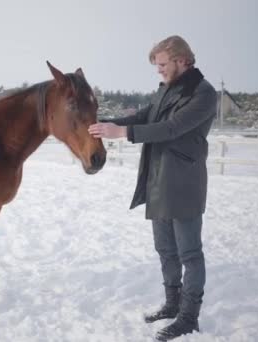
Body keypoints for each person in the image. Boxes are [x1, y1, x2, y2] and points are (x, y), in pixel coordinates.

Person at [88, 35, 217, 341]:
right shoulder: (167, 89)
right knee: (165, 250)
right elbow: (145, 116)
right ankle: (172, 305)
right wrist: (105, 123)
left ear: (182, 60)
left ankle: (188, 318)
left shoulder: (204, 93)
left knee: (190, 253)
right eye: (157, 65)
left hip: (184, 182)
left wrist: (123, 133)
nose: (158, 70)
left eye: (162, 64)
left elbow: (171, 128)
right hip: (158, 180)